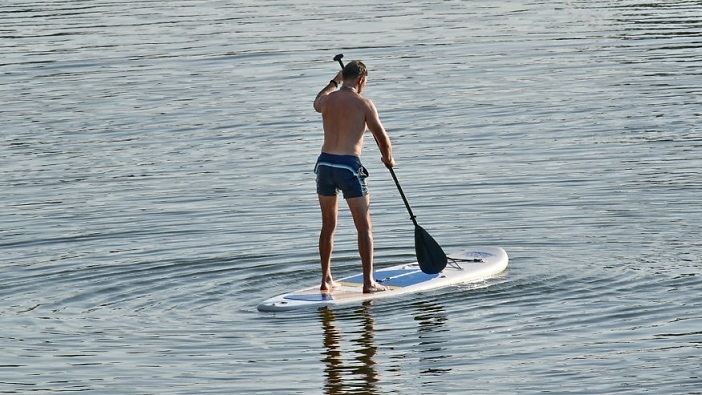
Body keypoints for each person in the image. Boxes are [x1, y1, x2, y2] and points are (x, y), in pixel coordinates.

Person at [313, 60, 395, 294]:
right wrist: (388, 159)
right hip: (348, 166)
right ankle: (369, 283)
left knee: (328, 225)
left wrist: (333, 82)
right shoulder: (364, 104)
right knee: (364, 227)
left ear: (343, 76)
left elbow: (316, 102)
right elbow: (382, 138)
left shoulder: (327, 100)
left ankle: (326, 279)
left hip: (324, 164)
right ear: (360, 80)